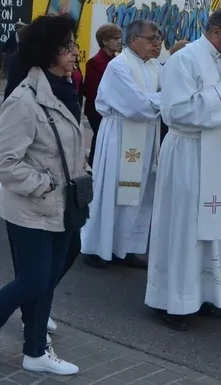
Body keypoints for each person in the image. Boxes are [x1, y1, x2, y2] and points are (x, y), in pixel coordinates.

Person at [146, 6, 221, 332]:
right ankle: (171, 301)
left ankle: (205, 294)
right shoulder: (183, 61)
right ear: (217, 32)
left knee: (215, 230)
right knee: (184, 228)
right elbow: (174, 112)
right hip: (188, 153)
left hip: (217, 155)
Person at [0, 14, 83, 377]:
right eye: (67, 47)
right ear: (47, 53)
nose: (75, 53)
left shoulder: (67, 90)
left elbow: (69, 145)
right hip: (31, 205)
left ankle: (36, 351)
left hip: (64, 204)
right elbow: (2, 161)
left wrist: (84, 174)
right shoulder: (25, 99)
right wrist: (45, 183)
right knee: (34, 279)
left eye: (74, 46)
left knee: (49, 278)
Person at [80, 20, 161, 270]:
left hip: (144, 136)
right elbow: (137, 105)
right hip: (120, 134)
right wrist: (158, 100)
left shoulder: (154, 66)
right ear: (134, 39)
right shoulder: (119, 66)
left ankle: (126, 248)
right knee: (111, 191)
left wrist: (155, 101)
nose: (156, 44)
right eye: (151, 39)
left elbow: (166, 97)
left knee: (138, 193)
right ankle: (97, 247)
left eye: (158, 39)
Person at [83, 24, 123, 168]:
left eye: (119, 38)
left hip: (112, 108)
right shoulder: (95, 62)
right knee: (99, 138)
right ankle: (93, 167)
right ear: (105, 41)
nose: (119, 41)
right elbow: (91, 90)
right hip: (97, 110)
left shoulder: (118, 60)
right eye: (115, 38)